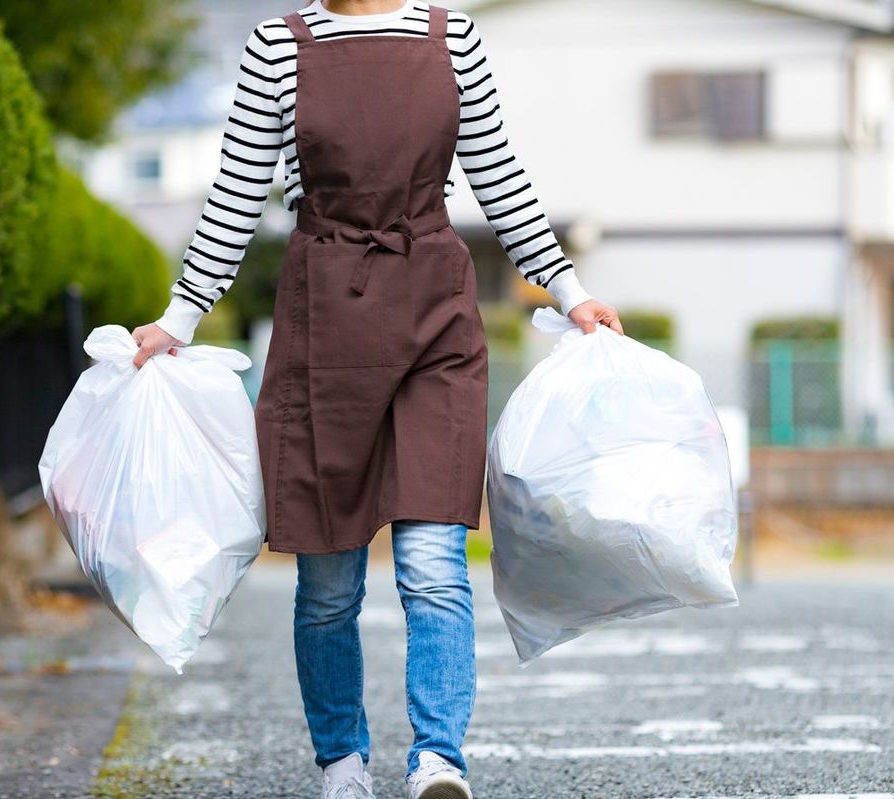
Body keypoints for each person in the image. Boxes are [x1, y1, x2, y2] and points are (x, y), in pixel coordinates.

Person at [132, 2, 623, 797]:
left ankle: (438, 759)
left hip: (436, 315)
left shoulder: (450, 35)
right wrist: (179, 316)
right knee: (330, 580)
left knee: (433, 560)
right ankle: (342, 761)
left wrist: (570, 292)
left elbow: (499, 177)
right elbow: (233, 195)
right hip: (324, 319)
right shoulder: (277, 44)